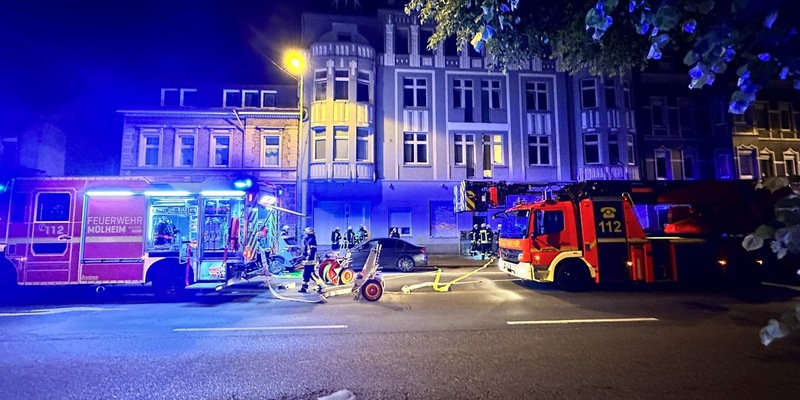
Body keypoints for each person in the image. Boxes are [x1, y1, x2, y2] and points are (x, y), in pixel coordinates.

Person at [299, 227, 318, 293]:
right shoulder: (309, 239)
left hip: (310, 260)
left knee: (311, 274)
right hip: (308, 260)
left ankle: (322, 285)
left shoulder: (312, 239)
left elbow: (312, 250)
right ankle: (304, 288)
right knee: (306, 274)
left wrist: (308, 257)